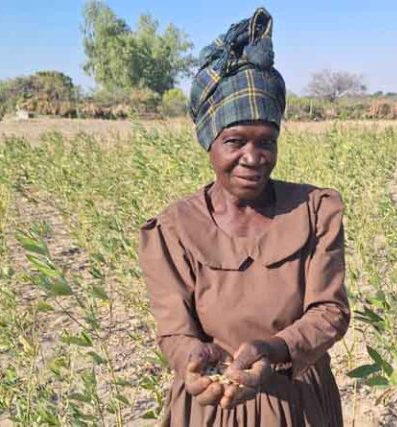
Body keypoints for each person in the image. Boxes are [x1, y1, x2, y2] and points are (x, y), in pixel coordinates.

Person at [138, 8, 350, 426]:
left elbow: (330, 311)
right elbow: (173, 328)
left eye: (266, 142)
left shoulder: (314, 211)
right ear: (209, 143)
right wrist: (191, 358)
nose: (253, 158)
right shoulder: (174, 229)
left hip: (295, 401)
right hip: (211, 404)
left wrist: (274, 349)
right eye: (235, 141)